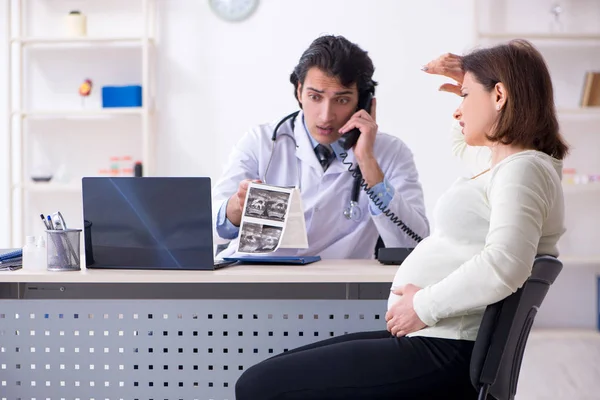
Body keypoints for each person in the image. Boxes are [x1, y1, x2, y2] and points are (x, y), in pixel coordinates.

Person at [234, 39, 568, 399]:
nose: (458, 111)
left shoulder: (522, 171)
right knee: (267, 377)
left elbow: (504, 264)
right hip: (439, 338)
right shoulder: (509, 165)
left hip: (446, 347)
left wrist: (422, 306)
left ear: (499, 95)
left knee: (258, 385)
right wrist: (472, 85)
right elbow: (463, 143)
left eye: (465, 96)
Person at [211, 35, 429, 260]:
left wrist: (367, 163)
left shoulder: (390, 153)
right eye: (315, 97)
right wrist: (237, 206)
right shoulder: (262, 142)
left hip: (338, 287)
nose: (326, 116)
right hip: (255, 279)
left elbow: (414, 244)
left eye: (342, 100)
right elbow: (208, 230)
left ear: (363, 102)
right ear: (299, 92)